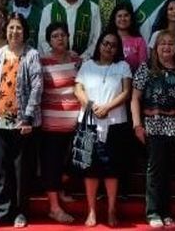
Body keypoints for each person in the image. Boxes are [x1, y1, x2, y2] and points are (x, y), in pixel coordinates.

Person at [0, 16, 42, 230]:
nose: (14, 32)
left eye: (19, 28)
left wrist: (27, 117)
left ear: (25, 32)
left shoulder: (32, 54)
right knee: (1, 170)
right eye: (11, 28)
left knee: (21, 170)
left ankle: (20, 212)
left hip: (23, 122)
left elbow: (37, 87)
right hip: (0, 122)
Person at [75, 30, 133, 228]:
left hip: (115, 123)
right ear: (99, 44)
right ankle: (91, 210)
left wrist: (107, 107)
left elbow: (126, 93)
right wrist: (92, 107)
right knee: (90, 169)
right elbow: (78, 89)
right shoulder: (87, 65)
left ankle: (110, 210)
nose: (108, 47)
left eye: (113, 45)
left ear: (117, 49)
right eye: (105, 43)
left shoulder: (123, 66)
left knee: (112, 170)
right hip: (88, 122)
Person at [133, 30, 175, 228]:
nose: (167, 47)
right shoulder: (146, 67)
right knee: (155, 170)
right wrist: (137, 125)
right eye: (162, 44)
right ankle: (153, 212)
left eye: (171, 44)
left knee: (168, 171)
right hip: (152, 126)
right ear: (156, 48)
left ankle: (166, 212)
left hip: (174, 128)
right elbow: (135, 98)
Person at [39, 22, 83, 224]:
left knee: (72, 162)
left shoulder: (76, 59)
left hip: (74, 122)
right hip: (51, 123)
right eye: (55, 36)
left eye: (63, 35)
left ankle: (61, 187)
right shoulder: (43, 61)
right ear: (49, 40)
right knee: (52, 164)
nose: (60, 39)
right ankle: (54, 208)